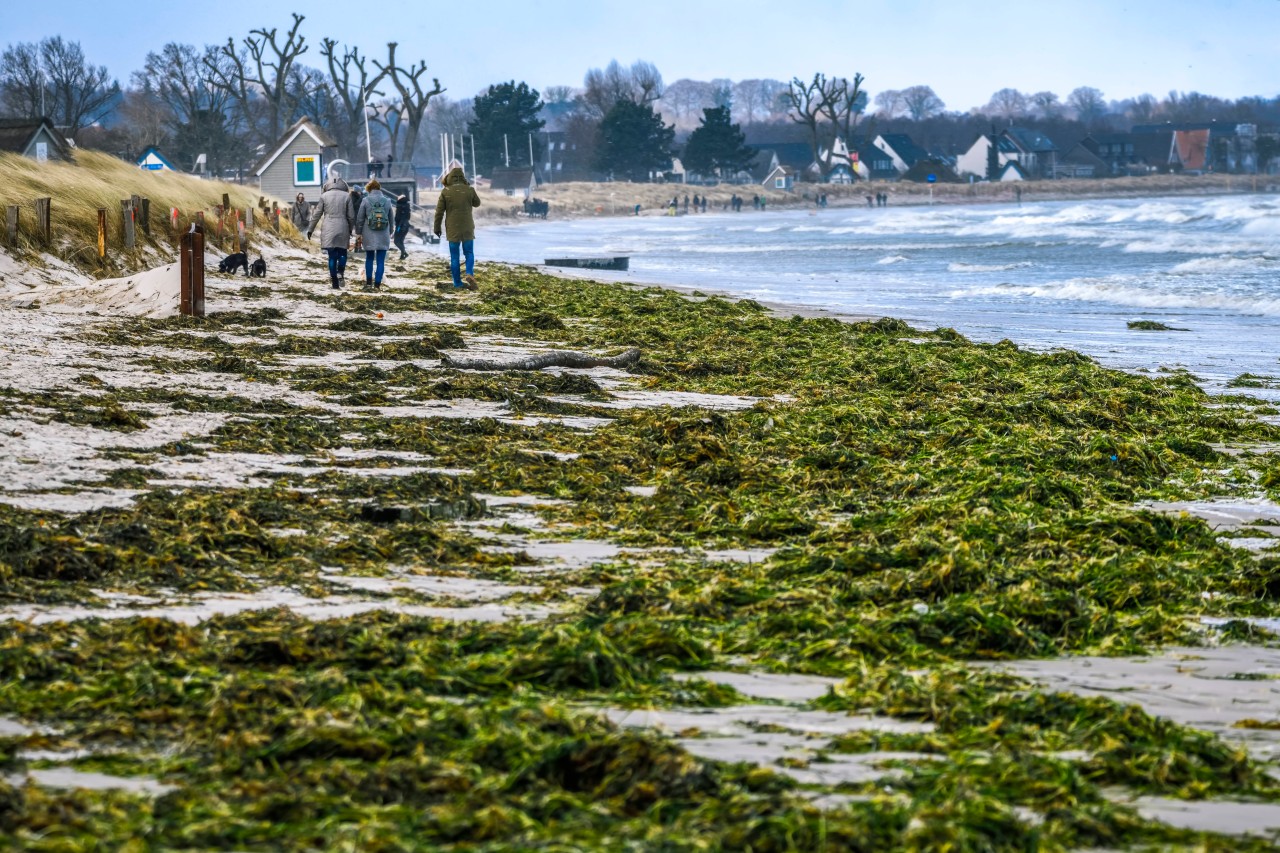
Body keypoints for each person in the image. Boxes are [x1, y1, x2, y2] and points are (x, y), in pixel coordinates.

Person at [433, 160, 481, 290]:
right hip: (467, 227)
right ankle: (469, 273)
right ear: (463, 177)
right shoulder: (469, 190)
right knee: (469, 253)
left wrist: (436, 228)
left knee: (454, 256)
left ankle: (457, 283)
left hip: (452, 228)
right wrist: (469, 189)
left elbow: (439, 212)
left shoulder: (445, 192)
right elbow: (477, 203)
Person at [307, 176, 355, 289]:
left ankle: (334, 282)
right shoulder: (347, 196)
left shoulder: (324, 196)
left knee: (332, 256)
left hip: (328, 227)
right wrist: (350, 229)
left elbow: (317, 215)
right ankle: (340, 272)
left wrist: (310, 229)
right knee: (343, 253)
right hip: (343, 227)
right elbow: (351, 216)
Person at [355, 179, 393, 289]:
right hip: (384, 233)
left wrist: (358, 233)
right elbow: (391, 219)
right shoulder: (387, 201)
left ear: (369, 189)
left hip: (369, 234)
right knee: (381, 261)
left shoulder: (365, 200)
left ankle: (368, 283)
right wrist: (390, 232)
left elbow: (360, 219)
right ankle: (377, 285)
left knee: (369, 258)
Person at [392, 193, 412, 260]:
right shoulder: (406, 206)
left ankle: (404, 253)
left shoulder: (401, 206)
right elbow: (407, 217)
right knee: (400, 241)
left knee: (396, 241)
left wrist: (398, 227)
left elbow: (400, 218)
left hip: (401, 226)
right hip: (405, 225)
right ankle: (403, 254)